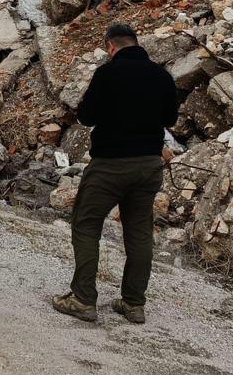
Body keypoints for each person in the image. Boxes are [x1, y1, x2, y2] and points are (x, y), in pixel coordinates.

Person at [52, 23, 178, 324]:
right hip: (148, 166)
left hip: (111, 164)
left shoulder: (107, 74)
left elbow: (86, 116)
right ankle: (134, 303)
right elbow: (170, 118)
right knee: (138, 233)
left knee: (86, 224)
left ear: (110, 46)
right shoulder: (162, 76)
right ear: (136, 43)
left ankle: (83, 299)